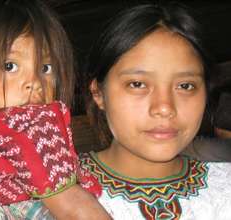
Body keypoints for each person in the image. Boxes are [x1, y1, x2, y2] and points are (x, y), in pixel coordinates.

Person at [0, 0, 111, 219]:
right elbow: (74, 207)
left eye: (45, 68)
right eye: (10, 66)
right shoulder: (26, 130)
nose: (35, 82)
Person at [81, 3, 231, 219]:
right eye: (138, 84)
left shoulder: (225, 189)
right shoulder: (42, 196)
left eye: (185, 86)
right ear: (98, 93)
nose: (164, 108)